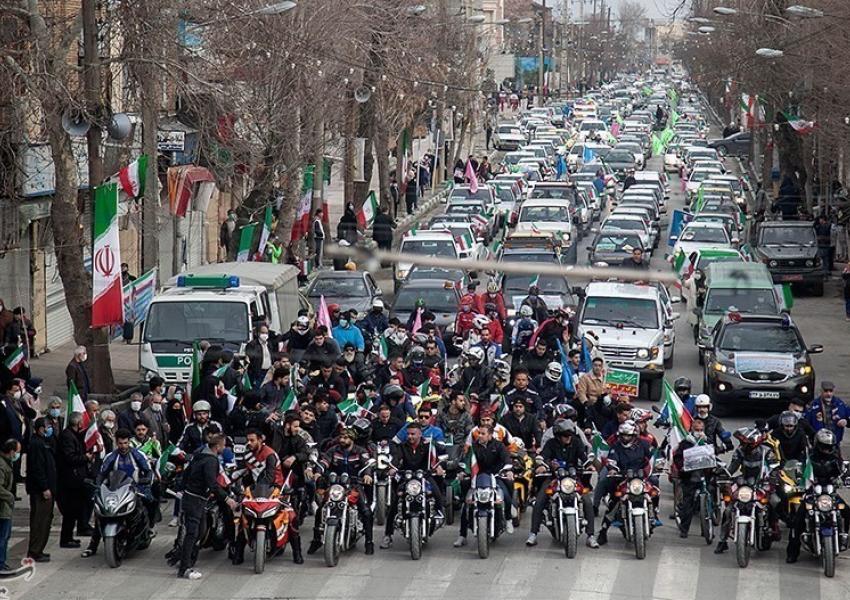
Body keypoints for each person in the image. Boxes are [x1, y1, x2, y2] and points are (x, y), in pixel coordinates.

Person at [526, 419, 598, 548]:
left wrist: (589, 465)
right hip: (554, 477)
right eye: (565, 435)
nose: (568, 438)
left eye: (570, 435)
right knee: (540, 501)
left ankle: (591, 536)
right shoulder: (550, 443)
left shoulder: (576, 442)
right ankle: (533, 534)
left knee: (587, 501)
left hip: (573, 477)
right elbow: (543, 456)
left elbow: (583, 456)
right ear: (558, 436)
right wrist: (542, 464)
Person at [177, 433, 238, 579]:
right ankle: (184, 568)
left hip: (190, 498)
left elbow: (186, 475)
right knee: (192, 533)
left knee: (198, 532)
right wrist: (226, 498)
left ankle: (188, 562)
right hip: (196, 501)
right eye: (223, 446)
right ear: (217, 447)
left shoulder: (199, 455)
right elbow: (212, 484)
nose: (224, 448)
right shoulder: (211, 460)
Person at [308, 428, 375, 555]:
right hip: (335, 485)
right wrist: (318, 471)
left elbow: (367, 464)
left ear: (352, 439)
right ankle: (316, 539)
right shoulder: (333, 450)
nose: (342, 440)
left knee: (366, 511)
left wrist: (367, 474)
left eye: (345, 438)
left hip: (354, 485)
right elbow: (324, 462)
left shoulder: (360, 451)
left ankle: (369, 542)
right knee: (320, 509)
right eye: (341, 437)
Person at [380, 422, 445, 549]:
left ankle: (439, 514)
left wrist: (438, 467)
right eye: (408, 434)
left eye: (413, 434)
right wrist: (393, 467)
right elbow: (396, 458)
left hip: (424, 476)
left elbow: (434, 460)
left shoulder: (428, 445)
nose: (410, 437)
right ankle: (388, 535)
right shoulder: (402, 446)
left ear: (420, 434)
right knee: (395, 502)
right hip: (407, 477)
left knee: (436, 492)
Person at [786, 429, 848, 563]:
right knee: (798, 519)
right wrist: (798, 478)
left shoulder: (836, 457)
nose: (827, 449)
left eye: (829, 447)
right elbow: (799, 470)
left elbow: (843, 470)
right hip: (812, 493)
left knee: (846, 511)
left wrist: (842, 477)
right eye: (825, 446)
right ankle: (792, 552)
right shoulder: (808, 456)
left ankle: (844, 537)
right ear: (818, 445)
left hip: (830, 493)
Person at [453, 424, 514, 547]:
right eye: (479, 433)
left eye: (483, 433)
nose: (479, 436)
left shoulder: (499, 445)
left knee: (506, 497)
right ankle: (462, 535)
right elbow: (466, 461)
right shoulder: (473, 447)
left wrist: (508, 470)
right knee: (466, 505)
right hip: (478, 478)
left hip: (495, 476)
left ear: (490, 435)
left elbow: (507, 459)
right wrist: (462, 472)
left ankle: (508, 518)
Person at [596, 420, 654, 545]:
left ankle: (654, 514)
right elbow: (612, 460)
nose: (625, 438)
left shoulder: (644, 444)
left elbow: (652, 458)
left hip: (640, 478)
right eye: (623, 435)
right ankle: (603, 531)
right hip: (622, 478)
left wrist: (654, 467)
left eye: (628, 435)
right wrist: (612, 469)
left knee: (654, 491)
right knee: (614, 501)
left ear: (634, 435)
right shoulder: (616, 447)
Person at [56, 412, 93, 548]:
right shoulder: (67, 436)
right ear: (78, 423)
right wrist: (85, 458)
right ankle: (66, 539)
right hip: (70, 481)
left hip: (76, 480)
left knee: (75, 509)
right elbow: (70, 458)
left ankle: (70, 536)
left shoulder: (73, 435)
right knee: (70, 511)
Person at [26, 417, 56, 562]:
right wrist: (44, 487)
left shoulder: (43, 442)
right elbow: (38, 468)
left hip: (45, 487)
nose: (50, 428)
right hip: (40, 491)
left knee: (45, 520)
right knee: (40, 521)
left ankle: (38, 550)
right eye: (47, 426)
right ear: (41, 428)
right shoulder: (37, 444)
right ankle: (34, 551)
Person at [0, 439, 18, 570]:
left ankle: (2, 561)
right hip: (3, 506)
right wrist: (10, 496)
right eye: (17, 452)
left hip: (6, 506)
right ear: (11, 451)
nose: (17, 455)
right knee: (3, 536)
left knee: (5, 536)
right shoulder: (2, 465)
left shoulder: (7, 463)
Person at [245, 324, 278, 390]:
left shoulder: (269, 344)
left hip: (269, 372)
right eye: (263, 332)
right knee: (257, 389)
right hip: (257, 373)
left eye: (266, 333)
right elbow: (250, 358)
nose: (265, 335)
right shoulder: (252, 344)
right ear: (258, 333)